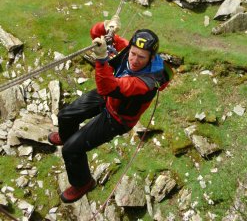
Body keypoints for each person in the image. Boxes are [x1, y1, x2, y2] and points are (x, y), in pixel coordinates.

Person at [48, 16, 172, 203]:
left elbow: (107, 87)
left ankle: (83, 182)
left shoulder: (145, 83)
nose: (135, 60)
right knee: (65, 115)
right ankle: (66, 136)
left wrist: (102, 58)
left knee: (71, 150)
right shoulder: (127, 49)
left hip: (117, 118)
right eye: (133, 53)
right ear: (130, 47)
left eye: (141, 57)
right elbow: (96, 35)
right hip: (110, 97)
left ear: (151, 58)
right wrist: (105, 26)